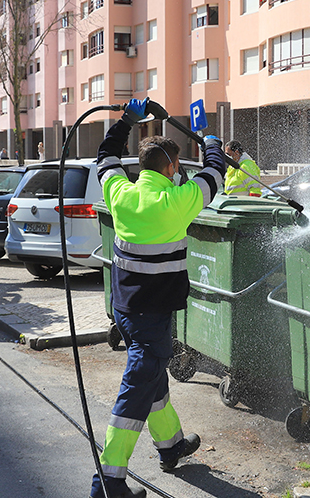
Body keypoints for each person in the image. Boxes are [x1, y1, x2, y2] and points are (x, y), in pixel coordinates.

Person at [89, 98, 225, 498]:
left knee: (151, 377)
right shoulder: (176, 203)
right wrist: (213, 146)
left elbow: (106, 156)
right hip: (153, 313)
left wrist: (127, 120)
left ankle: (171, 445)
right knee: (138, 385)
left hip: (125, 308)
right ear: (169, 167)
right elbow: (214, 177)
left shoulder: (121, 193)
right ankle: (109, 481)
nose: (180, 171)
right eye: (178, 166)